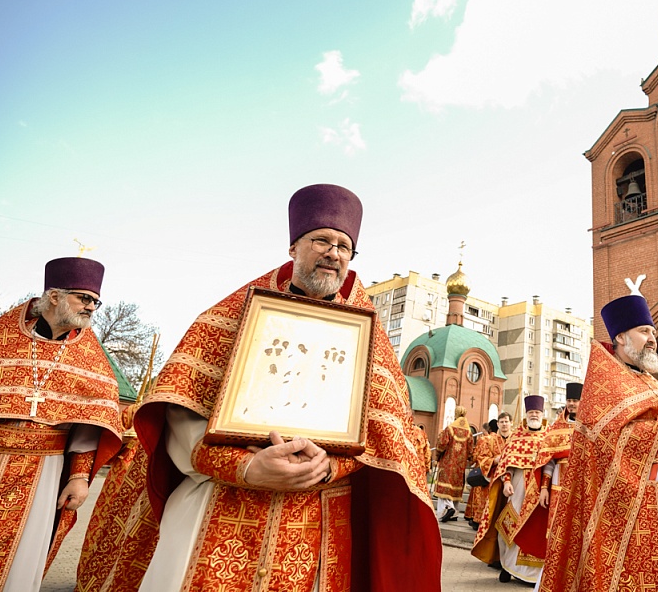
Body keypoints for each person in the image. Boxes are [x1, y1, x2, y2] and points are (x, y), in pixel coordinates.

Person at [133, 184, 442, 592]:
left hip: (319, 515)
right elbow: (179, 412)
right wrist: (246, 467)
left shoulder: (368, 336)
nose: (334, 253)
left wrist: (330, 467)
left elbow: (386, 437)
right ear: (294, 246)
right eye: (322, 241)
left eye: (344, 247)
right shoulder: (231, 315)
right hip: (221, 500)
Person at [539, 292, 658, 592]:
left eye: (654, 333)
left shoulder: (653, 383)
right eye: (644, 331)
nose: (653, 339)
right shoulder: (605, 384)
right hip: (639, 502)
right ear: (621, 337)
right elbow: (600, 441)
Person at [0, 257, 123, 591]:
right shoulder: (2, 335)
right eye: (84, 298)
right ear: (54, 296)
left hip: (44, 472)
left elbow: (90, 425)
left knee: (21, 554)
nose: (91, 307)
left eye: (95, 301)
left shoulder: (91, 358)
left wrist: (79, 478)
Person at [74, 403, 159, 592]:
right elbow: (111, 435)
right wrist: (124, 438)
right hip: (122, 477)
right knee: (108, 525)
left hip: (151, 476)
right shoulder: (134, 411)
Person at [472, 396, 551, 584]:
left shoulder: (549, 436)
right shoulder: (517, 436)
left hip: (541, 491)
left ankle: (532, 576)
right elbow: (506, 464)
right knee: (508, 526)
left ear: (542, 414)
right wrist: (506, 482)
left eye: (537, 412)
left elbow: (551, 464)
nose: (534, 415)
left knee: (535, 530)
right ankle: (507, 566)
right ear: (526, 414)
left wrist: (546, 487)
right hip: (517, 487)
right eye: (531, 412)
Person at [539, 382, 581, 525]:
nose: (571, 404)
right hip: (558, 482)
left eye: (575, 400)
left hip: (581, 483)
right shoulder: (557, 427)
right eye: (569, 400)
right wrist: (544, 488)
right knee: (557, 522)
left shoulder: (590, 425)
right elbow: (548, 460)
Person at [434, 405, 475, 522]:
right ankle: (454, 514)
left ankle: (447, 509)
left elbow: (442, 444)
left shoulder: (450, 429)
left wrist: (438, 455)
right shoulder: (469, 432)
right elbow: (471, 451)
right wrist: (470, 459)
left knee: (444, 488)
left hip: (448, 463)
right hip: (460, 466)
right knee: (456, 488)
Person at [465, 418, 499, 529]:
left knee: (479, 497)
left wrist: (472, 461)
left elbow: (476, 456)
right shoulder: (503, 441)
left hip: (482, 471)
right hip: (496, 473)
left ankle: (476, 519)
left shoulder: (484, 439)